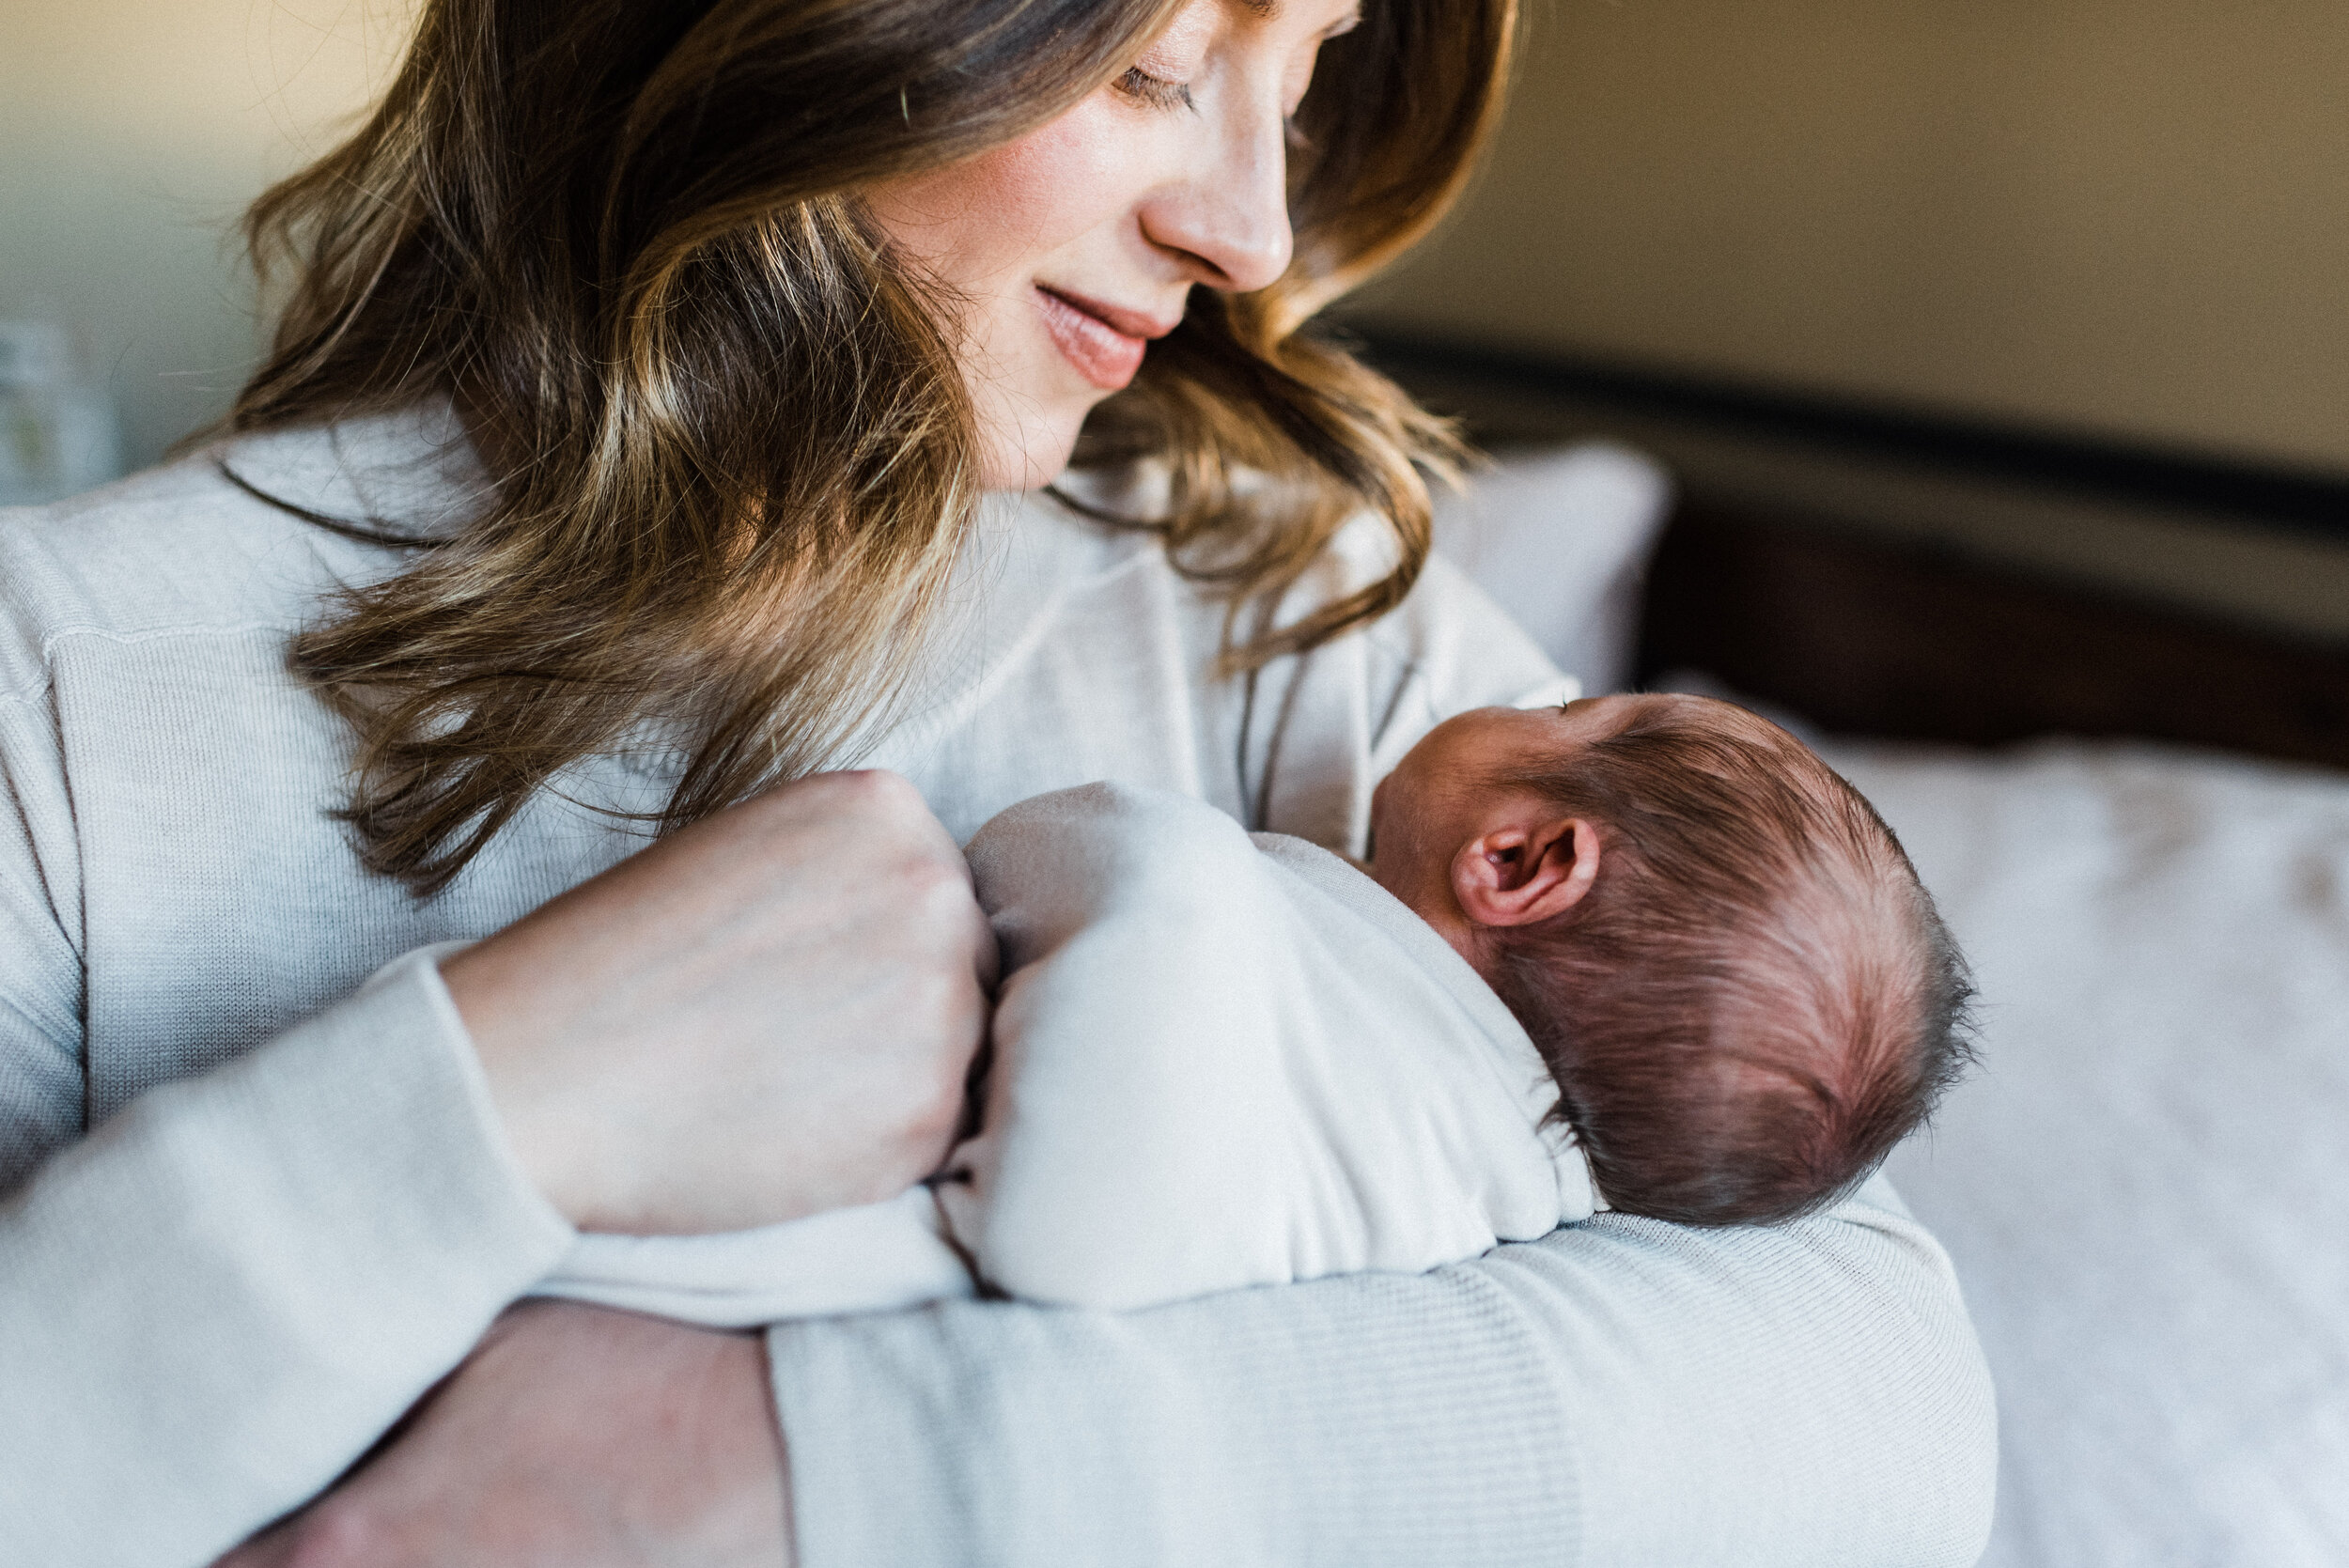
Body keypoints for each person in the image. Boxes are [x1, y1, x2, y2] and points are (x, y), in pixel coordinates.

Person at [0, 1, 1996, 1565]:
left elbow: (1894, 1417)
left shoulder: (1302, 628)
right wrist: (513, 1088)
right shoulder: (56, 695)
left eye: (1292, 88)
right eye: (1146, 62)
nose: (1250, 231)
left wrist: (803, 1473)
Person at [541, 691, 1978, 1327]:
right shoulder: (1470, 1172)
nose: (1527, 692)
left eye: (1575, 709)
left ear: (1519, 859)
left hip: (747, 1291)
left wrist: (1099, 857)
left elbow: (1080, 1230)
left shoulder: (1211, 921)